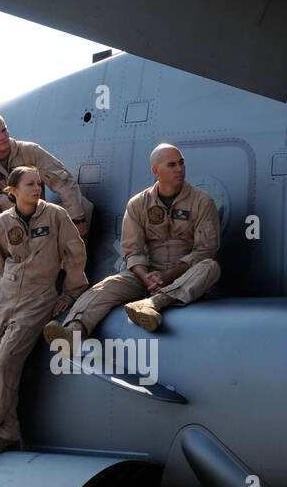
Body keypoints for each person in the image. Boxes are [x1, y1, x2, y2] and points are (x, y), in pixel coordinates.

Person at [45, 143, 220, 342]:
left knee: (210, 267)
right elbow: (132, 250)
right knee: (108, 285)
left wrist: (168, 275)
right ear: (155, 171)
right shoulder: (138, 204)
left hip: (184, 274)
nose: (179, 169)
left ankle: (154, 303)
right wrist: (147, 278)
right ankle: (73, 329)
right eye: (172, 165)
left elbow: (204, 250)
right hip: (146, 273)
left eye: (181, 163)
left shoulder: (202, 202)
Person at [0, 165, 87, 452]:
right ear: (13, 190)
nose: (37, 189)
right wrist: (6, 290)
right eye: (30, 184)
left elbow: (75, 253)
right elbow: (2, 261)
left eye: (39, 184)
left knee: (6, 357)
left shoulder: (56, 216)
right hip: (8, 295)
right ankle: (8, 431)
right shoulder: (2, 223)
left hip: (39, 296)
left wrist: (71, 293)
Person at [0, 113, 92, 265]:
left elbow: (62, 181)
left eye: (4, 130)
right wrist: (19, 205)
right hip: (8, 220)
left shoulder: (30, 151)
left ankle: (68, 268)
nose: (3, 136)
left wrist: (77, 218)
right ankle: (4, 264)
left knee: (84, 207)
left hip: (39, 214)